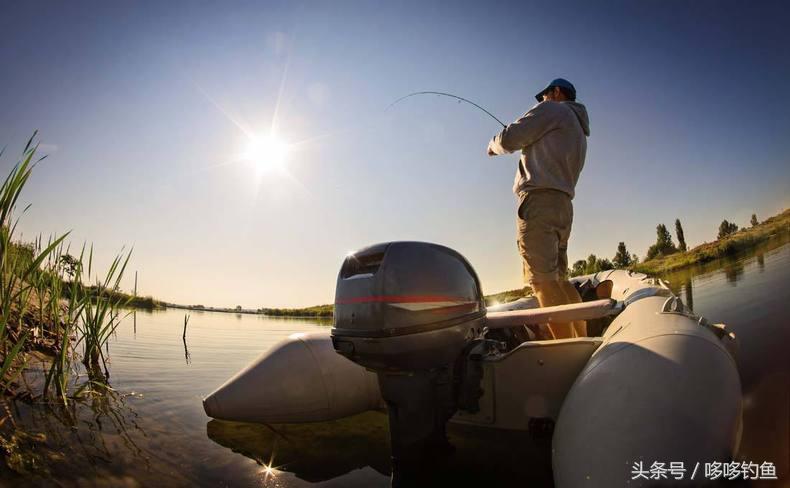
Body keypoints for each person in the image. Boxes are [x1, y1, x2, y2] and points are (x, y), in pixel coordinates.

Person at [486, 78, 590, 339]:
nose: (541, 101)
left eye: (543, 96)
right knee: (561, 281)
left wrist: (492, 145)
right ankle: (584, 340)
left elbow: (510, 138)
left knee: (542, 283)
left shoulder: (553, 109)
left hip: (539, 205)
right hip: (563, 207)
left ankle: (570, 356)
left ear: (556, 93)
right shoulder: (577, 129)